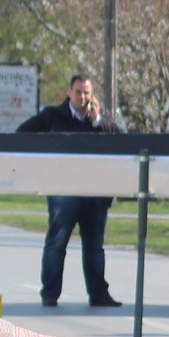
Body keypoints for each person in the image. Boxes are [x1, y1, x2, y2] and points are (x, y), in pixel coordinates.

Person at [19, 73, 122, 308]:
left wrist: (98, 122)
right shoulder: (53, 116)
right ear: (69, 92)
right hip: (63, 190)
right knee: (57, 242)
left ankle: (98, 294)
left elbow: (120, 140)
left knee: (94, 246)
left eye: (86, 93)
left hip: (95, 193)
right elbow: (22, 134)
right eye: (78, 92)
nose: (82, 97)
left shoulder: (100, 119)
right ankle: (50, 294)